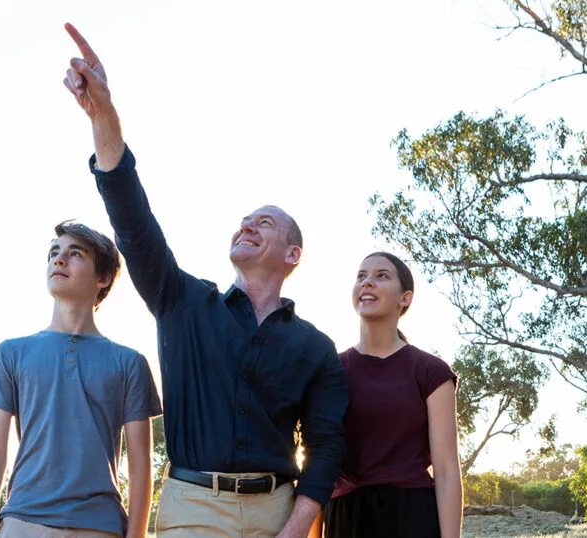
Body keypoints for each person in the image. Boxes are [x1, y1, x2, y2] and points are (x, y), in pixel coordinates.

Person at [62, 23, 349, 538]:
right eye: (243, 221)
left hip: (277, 511)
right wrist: (103, 116)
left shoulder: (316, 349)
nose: (247, 226)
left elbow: (326, 448)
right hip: (192, 508)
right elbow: (133, 223)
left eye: (264, 223)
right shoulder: (182, 302)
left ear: (293, 254)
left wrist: (294, 529)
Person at [0, 221, 163, 538]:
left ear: (103, 278)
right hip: (23, 522)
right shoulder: (10, 353)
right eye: (54, 253)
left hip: (100, 526)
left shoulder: (130, 363)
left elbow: (141, 463)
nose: (59, 260)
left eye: (75, 254)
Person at [319, 252, 462, 538]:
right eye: (361, 276)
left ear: (405, 298)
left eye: (381, 276)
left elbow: (446, 471)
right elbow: (318, 464)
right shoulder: (330, 370)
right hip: (346, 519)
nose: (367, 282)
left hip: (413, 517)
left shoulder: (431, 371)